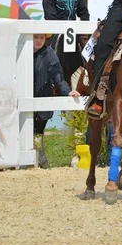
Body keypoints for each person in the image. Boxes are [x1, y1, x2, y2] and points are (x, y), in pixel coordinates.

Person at [33, 33, 80, 168]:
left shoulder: (49, 53)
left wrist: (67, 92)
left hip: (43, 96)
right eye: (36, 37)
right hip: (22, 96)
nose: (39, 41)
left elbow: (57, 75)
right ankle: (37, 160)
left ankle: (38, 160)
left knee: (38, 131)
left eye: (42, 38)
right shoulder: (20, 50)